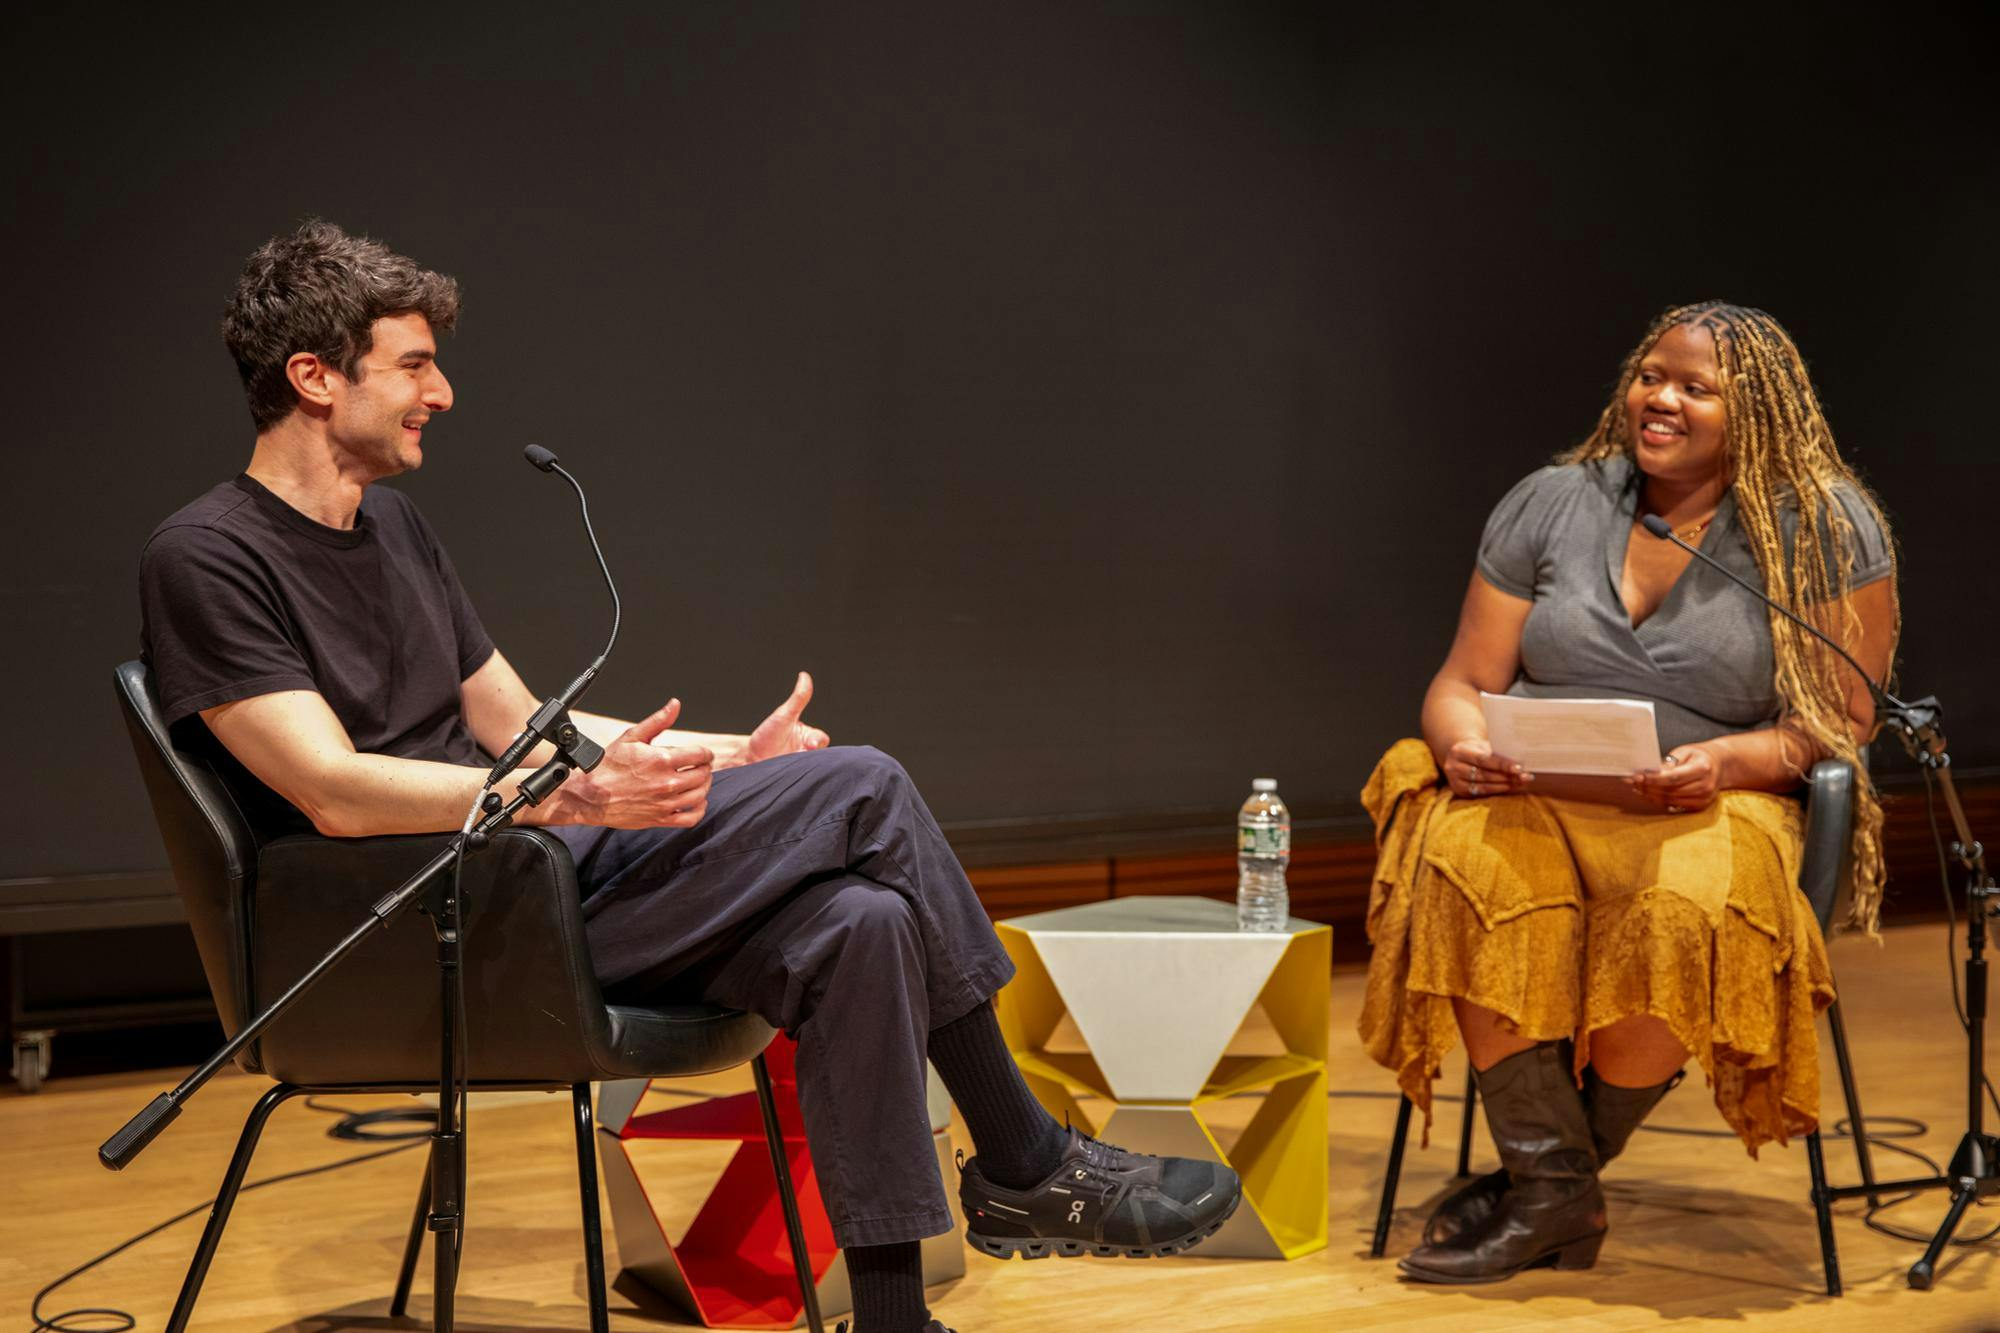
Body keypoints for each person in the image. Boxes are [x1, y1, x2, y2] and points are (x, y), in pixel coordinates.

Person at [138, 220, 1240, 1333]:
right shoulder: (209, 555)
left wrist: (727, 755)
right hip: (421, 931)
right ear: (314, 377)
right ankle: (1021, 1158)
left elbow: (521, 721)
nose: (445, 392)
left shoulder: (397, 531)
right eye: (415, 364)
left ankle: (894, 1321)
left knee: (857, 922)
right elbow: (329, 788)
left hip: (528, 879)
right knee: (865, 786)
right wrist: (560, 797)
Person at [1356, 301, 1897, 1285]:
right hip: (1537, 785)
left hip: (1711, 793)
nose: (1659, 399)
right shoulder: (1552, 501)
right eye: (1652, 375)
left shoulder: (1818, 526)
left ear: (1757, 415)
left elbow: (1837, 724)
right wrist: (1465, 742)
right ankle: (1554, 1189)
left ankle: (1551, 1186)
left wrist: (1727, 762)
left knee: (1683, 916)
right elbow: (1460, 678)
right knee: (1462, 863)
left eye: (1695, 387)